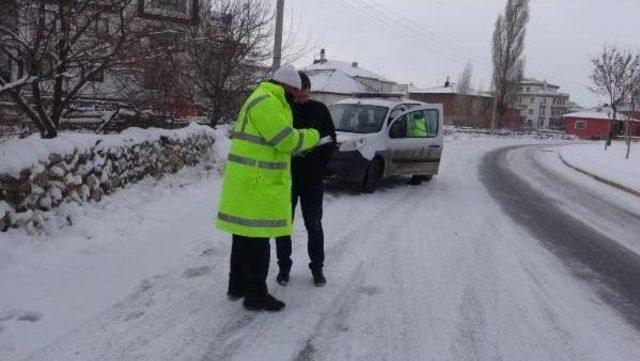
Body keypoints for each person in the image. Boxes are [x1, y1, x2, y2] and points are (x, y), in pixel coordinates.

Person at [217, 65, 320, 312]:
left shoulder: (263, 98)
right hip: (256, 185)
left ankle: (237, 287)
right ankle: (256, 295)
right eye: (295, 93)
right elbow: (286, 140)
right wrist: (313, 136)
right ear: (286, 86)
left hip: (249, 182)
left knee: (243, 238)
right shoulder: (268, 102)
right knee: (258, 242)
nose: (296, 98)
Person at [275, 71, 337, 287]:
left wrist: (319, 165)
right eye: (297, 96)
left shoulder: (320, 110)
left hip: (312, 180)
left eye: (305, 96)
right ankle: (283, 268)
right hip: (286, 178)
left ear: (309, 91)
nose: (301, 100)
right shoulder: (283, 109)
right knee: (283, 226)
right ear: (290, 91)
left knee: (314, 225)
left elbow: (330, 140)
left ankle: (317, 269)